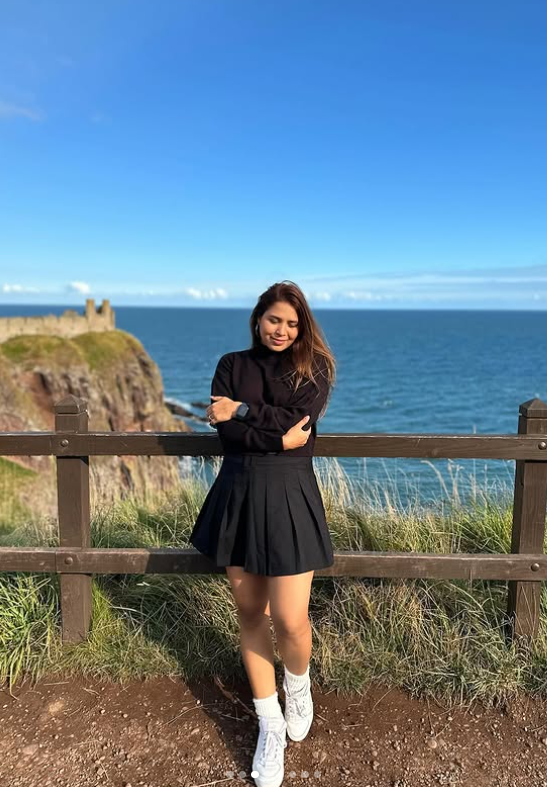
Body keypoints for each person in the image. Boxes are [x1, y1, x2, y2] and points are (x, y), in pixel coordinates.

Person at [189, 280, 336, 787]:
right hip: (239, 492)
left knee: (291, 619)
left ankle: (298, 685)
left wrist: (243, 411)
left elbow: (299, 427)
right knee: (250, 612)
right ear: (258, 319)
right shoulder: (231, 364)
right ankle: (269, 724)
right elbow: (228, 434)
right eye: (275, 319)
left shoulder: (314, 369)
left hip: (291, 495)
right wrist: (271, 435)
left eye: (293, 323)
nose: (282, 330)